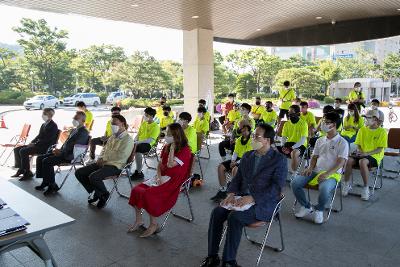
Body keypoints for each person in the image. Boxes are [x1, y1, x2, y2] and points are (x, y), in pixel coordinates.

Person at [200, 124, 287, 267]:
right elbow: (238, 179)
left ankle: (228, 261)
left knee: (235, 217)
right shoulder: (248, 156)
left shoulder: (279, 160)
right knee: (217, 212)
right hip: (242, 199)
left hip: (263, 203)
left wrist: (253, 197)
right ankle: (212, 256)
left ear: (267, 140)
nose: (253, 139)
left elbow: (276, 188)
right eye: (253, 136)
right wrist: (231, 193)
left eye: (257, 137)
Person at [128, 123, 192, 237]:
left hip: (174, 181)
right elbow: (160, 164)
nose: (165, 136)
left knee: (149, 194)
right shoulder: (166, 146)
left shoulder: (185, 150)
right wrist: (158, 176)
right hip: (161, 177)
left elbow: (171, 164)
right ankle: (139, 220)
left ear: (176, 136)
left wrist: (172, 150)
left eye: (168, 134)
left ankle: (153, 224)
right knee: (136, 190)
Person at [291, 112, 348, 224]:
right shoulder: (320, 140)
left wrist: (327, 174)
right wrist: (310, 168)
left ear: (334, 125)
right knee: (295, 182)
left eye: (327, 123)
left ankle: (319, 209)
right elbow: (314, 157)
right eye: (323, 121)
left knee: (324, 189)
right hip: (316, 170)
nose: (323, 124)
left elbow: (341, 162)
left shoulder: (342, 142)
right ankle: (306, 206)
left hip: (332, 173)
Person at [75, 115, 134, 209]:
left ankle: (104, 194)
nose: (112, 125)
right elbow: (104, 150)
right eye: (111, 124)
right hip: (104, 162)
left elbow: (121, 156)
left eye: (115, 123)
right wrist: (100, 158)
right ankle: (98, 193)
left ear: (122, 123)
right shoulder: (112, 137)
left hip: (116, 166)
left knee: (93, 177)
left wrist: (104, 160)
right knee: (79, 172)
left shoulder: (128, 140)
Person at [35, 111, 89, 195]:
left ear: (83, 120)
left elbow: (75, 147)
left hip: (70, 156)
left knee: (47, 161)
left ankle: (52, 185)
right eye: (74, 118)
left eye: (76, 118)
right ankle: (46, 181)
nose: (74, 120)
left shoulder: (83, 132)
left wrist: (60, 152)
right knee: (40, 158)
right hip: (64, 152)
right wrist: (59, 150)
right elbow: (67, 144)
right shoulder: (75, 130)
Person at [342, 109, 387, 201]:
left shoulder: (382, 132)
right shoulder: (362, 130)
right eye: (365, 118)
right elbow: (358, 144)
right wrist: (359, 151)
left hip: (375, 156)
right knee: (349, 160)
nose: (365, 120)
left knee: (363, 162)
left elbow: (380, 149)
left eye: (368, 118)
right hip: (362, 154)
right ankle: (346, 184)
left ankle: (366, 188)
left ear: (375, 119)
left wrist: (366, 153)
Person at [12, 108, 59, 181]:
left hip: (45, 147)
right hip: (38, 145)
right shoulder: (44, 124)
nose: (42, 115)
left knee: (23, 151)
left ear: (49, 115)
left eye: (44, 114)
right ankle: (21, 169)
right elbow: (39, 136)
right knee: (17, 149)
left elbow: (47, 140)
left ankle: (27, 173)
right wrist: (32, 142)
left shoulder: (53, 126)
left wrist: (35, 144)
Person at [211, 125, 252, 202]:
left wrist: (235, 163)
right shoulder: (239, 139)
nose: (243, 132)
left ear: (249, 131)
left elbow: (247, 156)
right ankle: (223, 189)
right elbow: (235, 152)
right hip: (237, 159)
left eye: (245, 130)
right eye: (242, 131)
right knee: (221, 167)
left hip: (246, 161)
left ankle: (234, 192)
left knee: (235, 170)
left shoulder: (251, 141)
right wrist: (233, 161)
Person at [130, 107, 161, 180]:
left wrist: (137, 143)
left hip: (149, 145)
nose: (145, 116)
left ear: (152, 116)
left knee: (137, 149)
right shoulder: (144, 123)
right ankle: (127, 167)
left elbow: (150, 140)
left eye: (147, 115)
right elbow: (138, 134)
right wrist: (134, 141)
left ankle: (139, 172)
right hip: (139, 143)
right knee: (129, 146)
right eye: (145, 114)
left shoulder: (155, 126)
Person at [277, 105, 308, 172]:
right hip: (289, 143)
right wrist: (283, 146)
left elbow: (302, 140)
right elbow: (284, 137)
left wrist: (292, 148)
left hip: (300, 145)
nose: (289, 114)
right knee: (274, 150)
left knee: (294, 153)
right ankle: (278, 171)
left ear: (297, 113)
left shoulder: (303, 123)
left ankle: (294, 173)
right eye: (289, 112)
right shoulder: (287, 124)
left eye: (291, 112)